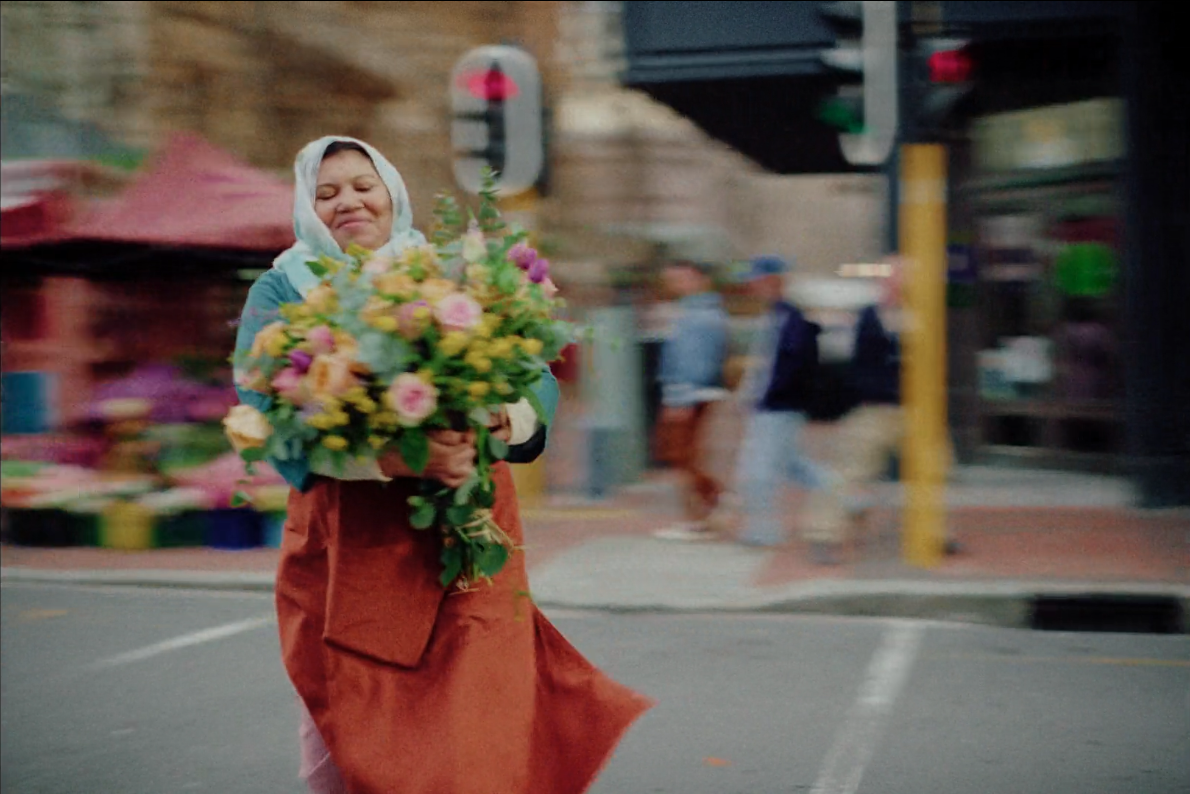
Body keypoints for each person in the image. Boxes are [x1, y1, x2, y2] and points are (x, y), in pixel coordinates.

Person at [233, 136, 653, 794]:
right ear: (307, 207)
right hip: (349, 548)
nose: (349, 201)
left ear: (392, 192)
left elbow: (533, 377)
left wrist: (496, 418)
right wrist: (391, 457)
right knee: (346, 738)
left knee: (476, 731)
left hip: (460, 542)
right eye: (327, 192)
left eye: (362, 184)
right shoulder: (281, 289)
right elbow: (265, 419)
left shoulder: (447, 278)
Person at [825, 257, 959, 556]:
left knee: (933, 469)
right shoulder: (868, 316)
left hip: (917, 409)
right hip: (876, 407)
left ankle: (936, 533)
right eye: (892, 277)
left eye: (902, 277)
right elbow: (858, 362)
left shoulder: (920, 314)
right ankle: (831, 531)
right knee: (851, 472)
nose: (896, 283)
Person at [732, 255, 841, 561]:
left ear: (773, 280)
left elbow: (787, 367)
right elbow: (768, 365)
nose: (752, 286)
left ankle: (764, 531)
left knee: (759, 470)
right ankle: (848, 495)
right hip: (775, 405)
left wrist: (766, 395)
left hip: (778, 406)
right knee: (793, 465)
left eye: (757, 280)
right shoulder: (778, 316)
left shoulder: (790, 318)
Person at [652, 260, 731, 542]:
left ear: (700, 279)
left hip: (688, 395)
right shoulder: (696, 311)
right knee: (684, 457)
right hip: (690, 394)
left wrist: (680, 398)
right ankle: (708, 509)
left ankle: (706, 511)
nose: (675, 285)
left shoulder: (700, 315)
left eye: (680, 278)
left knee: (681, 457)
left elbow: (695, 362)